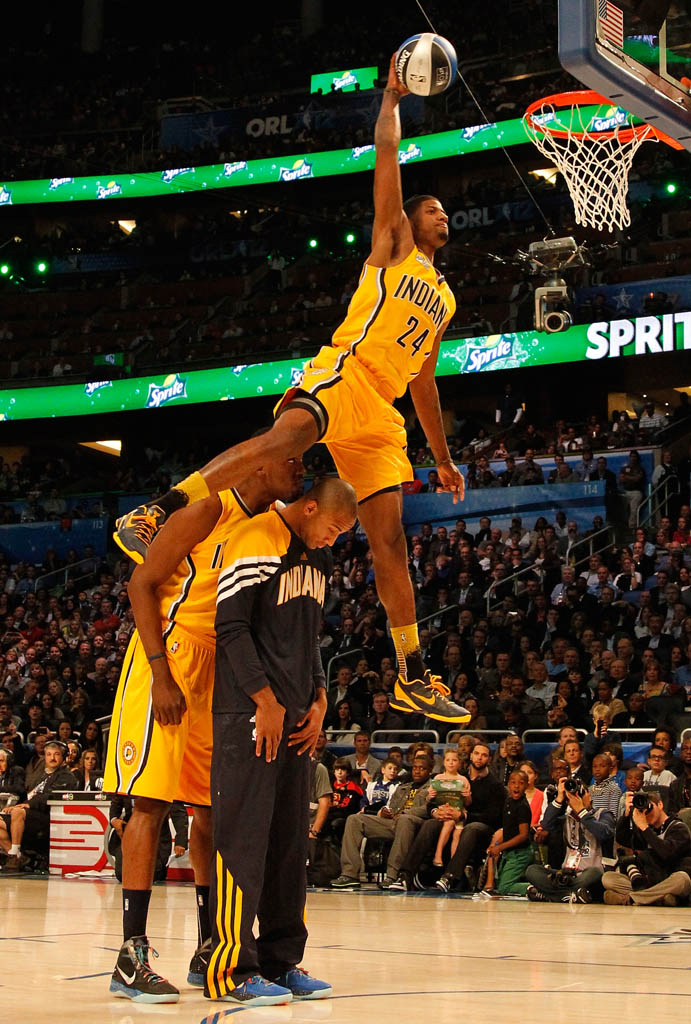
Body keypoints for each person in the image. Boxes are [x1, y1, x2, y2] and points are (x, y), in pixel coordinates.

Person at [114, 55, 469, 728]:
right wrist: (389, 100)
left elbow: (424, 380)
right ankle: (157, 510)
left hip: (383, 411)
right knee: (283, 441)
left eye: (445, 211)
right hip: (347, 373)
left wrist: (442, 456)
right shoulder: (393, 246)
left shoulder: (445, 298)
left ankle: (412, 676)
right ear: (410, 222)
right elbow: (386, 160)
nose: (441, 214)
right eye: (433, 208)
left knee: (389, 541)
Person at [105, 453, 305, 1003]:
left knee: (211, 811)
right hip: (167, 659)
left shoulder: (271, 529)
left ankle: (208, 946)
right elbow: (141, 585)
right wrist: (161, 673)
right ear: (258, 467)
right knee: (148, 805)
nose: (300, 468)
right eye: (290, 459)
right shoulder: (206, 511)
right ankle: (131, 955)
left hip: (220, 672)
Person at [205, 477, 357, 1006]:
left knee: (289, 847)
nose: (333, 541)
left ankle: (280, 959)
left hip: (295, 715)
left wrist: (319, 698)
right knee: (242, 839)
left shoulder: (317, 559)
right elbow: (231, 628)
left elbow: (309, 636)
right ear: (310, 507)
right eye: (333, 529)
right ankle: (229, 969)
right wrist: (264, 699)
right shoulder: (254, 538)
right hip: (248, 711)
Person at [330, 753, 434, 890]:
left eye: (422, 768)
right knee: (354, 819)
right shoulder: (403, 787)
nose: (417, 771)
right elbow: (390, 805)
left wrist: (404, 813)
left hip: (415, 825)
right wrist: (384, 811)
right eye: (414, 767)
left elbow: (429, 809)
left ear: (430, 771)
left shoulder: (432, 788)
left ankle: (393, 876)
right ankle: (349, 874)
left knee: (404, 820)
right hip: (393, 822)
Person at [525, 775, 615, 903]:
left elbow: (604, 833)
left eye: (581, 794)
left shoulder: (604, 814)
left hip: (592, 876)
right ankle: (569, 896)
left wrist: (582, 811)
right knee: (532, 870)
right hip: (567, 876)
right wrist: (559, 799)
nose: (577, 797)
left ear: (589, 795)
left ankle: (550, 896)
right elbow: (546, 825)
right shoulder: (566, 818)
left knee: (593, 873)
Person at [602, 789, 691, 906]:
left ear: (660, 805)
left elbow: (667, 853)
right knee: (608, 878)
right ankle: (658, 898)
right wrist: (626, 814)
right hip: (649, 881)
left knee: (682, 879)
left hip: (671, 878)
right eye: (642, 810)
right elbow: (622, 838)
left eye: (649, 808)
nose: (646, 813)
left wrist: (645, 828)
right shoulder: (646, 830)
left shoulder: (679, 828)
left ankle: (629, 899)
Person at [0, 740, 77, 872]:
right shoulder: (43, 775)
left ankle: (14, 853)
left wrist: (23, 806)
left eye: (56, 754)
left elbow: (48, 796)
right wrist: (16, 805)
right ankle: (19, 857)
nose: (52, 758)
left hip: (49, 816)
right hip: (31, 813)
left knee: (18, 813)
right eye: (49, 754)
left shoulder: (66, 776)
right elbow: (31, 795)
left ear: (63, 757)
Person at [482, 770, 533, 897]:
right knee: (501, 882)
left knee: (505, 887)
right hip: (509, 853)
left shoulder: (522, 807)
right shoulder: (509, 802)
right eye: (513, 782)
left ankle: (538, 887)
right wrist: (496, 844)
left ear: (526, 785)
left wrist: (500, 847)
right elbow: (508, 829)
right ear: (508, 784)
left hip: (520, 853)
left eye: (521, 783)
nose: (516, 786)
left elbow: (523, 835)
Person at [427, 748, 470, 867]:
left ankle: (453, 863)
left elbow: (468, 802)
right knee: (449, 822)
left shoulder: (463, 780)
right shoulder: (438, 778)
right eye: (448, 760)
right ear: (444, 762)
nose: (451, 763)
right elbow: (429, 800)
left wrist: (466, 796)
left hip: (458, 812)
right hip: (443, 811)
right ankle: (438, 854)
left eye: (454, 760)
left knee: (457, 833)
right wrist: (430, 796)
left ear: (459, 763)